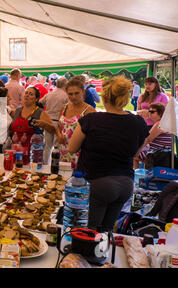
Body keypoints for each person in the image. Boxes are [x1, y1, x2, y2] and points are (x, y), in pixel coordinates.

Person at [68, 76, 149, 232]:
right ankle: (103, 255)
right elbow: (137, 152)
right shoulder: (138, 122)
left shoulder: (91, 120)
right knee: (106, 233)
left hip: (97, 182)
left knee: (87, 232)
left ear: (104, 98)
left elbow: (72, 148)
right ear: (125, 98)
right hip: (125, 184)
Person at [56, 78, 96, 169]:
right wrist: (58, 135)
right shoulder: (64, 107)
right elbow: (58, 126)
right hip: (63, 152)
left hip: (80, 154)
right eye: (70, 94)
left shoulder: (89, 111)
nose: (73, 97)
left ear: (82, 92)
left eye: (76, 93)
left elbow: (94, 135)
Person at [9, 87, 56, 155]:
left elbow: (53, 129)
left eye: (31, 94)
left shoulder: (40, 112)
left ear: (36, 99)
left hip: (32, 153)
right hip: (15, 151)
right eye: (26, 93)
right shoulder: (17, 111)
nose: (27, 95)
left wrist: (44, 124)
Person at [39, 77, 69, 165]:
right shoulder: (66, 96)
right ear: (65, 85)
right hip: (59, 122)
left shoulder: (49, 94)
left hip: (48, 121)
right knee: (57, 146)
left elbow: (40, 103)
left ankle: (45, 164)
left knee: (47, 145)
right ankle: (55, 165)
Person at [134, 102, 172, 168]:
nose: (149, 113)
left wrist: (138, 151)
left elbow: (147, 139)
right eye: (149, 111)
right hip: (161, 152)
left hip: (157, 153)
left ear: (160, 113)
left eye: (152, 112)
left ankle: (137, 174)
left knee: (134, 156)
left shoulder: (159, 124)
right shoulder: (163, 122)